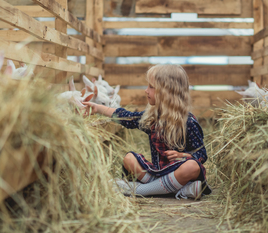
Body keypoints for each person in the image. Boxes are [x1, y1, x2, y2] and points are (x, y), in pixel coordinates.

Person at [83, 64, 211, 199]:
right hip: (157, 172)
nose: (146, 90)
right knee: (129, 159)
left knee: (192, 167)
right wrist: (98, 108)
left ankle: (141, 190)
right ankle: (178, 190)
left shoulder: (188, 122)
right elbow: (126, 117)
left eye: (151, 87)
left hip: (178, 172)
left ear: (165, 92)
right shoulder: (151, 118)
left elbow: (201, 154)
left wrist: (183, 155)